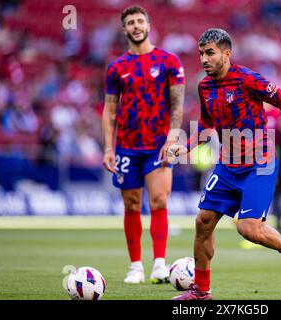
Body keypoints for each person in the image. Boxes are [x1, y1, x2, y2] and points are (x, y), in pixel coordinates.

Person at [166, 28, 281, 300]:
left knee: (248, 228)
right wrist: (185, 146)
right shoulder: (205, 86)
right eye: (201, 53)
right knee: (203, 222)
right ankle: (201, 290)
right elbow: (206, 125)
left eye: (210, 53)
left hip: (259, 163)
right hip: (227, 165)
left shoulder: (247, 79)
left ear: (226, 53)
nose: (203, 59)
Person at [102, 6, 185, 284]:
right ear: (124, 30)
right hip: (126, 146)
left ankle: (160, 263)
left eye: (140, 21)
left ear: (148, 25)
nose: (136, 26)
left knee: (159, 200)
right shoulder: (116, 68)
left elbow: (177, 103)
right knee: (132, 204)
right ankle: (135, 265)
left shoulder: (169, 61)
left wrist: (173, 136)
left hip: (159, 144)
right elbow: (110, 111)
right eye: (130, 23)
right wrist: (108, 148)